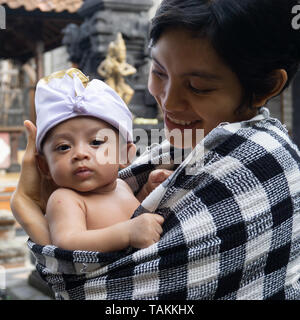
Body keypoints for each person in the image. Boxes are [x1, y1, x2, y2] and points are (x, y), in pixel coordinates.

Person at [11, 0, 300, 300]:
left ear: (266, 86)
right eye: (159, 72)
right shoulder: (175, 148)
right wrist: (146, 192)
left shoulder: (258, 166)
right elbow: (116, 225)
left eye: (198, 86)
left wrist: (28, 209)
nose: (170, 102)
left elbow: (104, 295)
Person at [31, 68, 172, 253]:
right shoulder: (65, 199)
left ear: (124, 155)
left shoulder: (122, 186)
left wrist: (147, 192)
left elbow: (132, 216)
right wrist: (127, 233)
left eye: (96, 142)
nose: (80, 154)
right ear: (45, 166)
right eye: (64, 147)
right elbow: (67, 241)